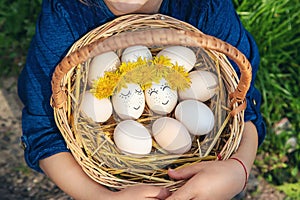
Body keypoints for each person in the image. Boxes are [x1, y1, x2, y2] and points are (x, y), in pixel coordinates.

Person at [18, 0, 266, 199]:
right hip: (111, 186)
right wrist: (101, 196)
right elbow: (44, 131)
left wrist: (239, 168)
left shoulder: (205, 8)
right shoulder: (65, 15)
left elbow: (242, 105)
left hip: (210, 177)